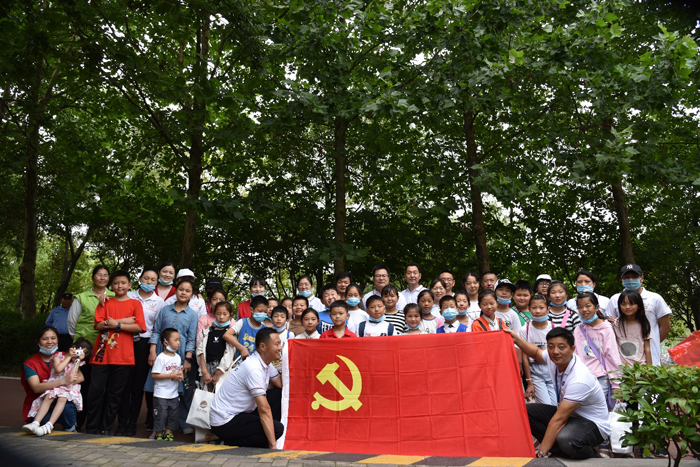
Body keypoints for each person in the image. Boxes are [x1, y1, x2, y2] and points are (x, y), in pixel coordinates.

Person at [505, 327, 610, 459]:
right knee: (525, 411)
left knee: (567, 439)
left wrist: (541, 453)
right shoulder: (555, 359)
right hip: (571, 417)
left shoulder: (579, 379)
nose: (555, 351)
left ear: (572, 349)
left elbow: (559, 419)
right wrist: (516, 339)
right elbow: (536, 353)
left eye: (561, 347)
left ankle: (594, 457)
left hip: (592, 424)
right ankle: (559, 450)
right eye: (551, 346)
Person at [85, 270, 146, 435]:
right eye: (116, 283)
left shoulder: (135, 304)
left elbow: (139, 326)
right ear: (111, 286)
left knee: (115, 394)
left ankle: (106, 427)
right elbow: (98, 325)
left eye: (123, 283)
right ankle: (91, 427)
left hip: (123, 356)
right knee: (95, 391)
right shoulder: (105, 302)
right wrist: (124, 321)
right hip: (101, 354)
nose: (120, 286)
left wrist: (116, 324)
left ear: (130, 285)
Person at [210, 328, 284, 448]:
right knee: (278, 429)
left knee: (278, 394)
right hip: (225, 421)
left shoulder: (264, 362)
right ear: (263, 346)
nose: (280, 348)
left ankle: (267, 432)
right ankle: (230, 443)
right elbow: (264, 410)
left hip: (242, 412)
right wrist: (273, 446)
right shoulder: (253, 368)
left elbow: (279, 384)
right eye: (277, 344)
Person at [146, 278, 199, 435]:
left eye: (188, 291)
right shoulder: (164, 310)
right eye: (181, 289)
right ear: (176, 291)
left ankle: (179, 425)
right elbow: (156, 331)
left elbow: (191, 339)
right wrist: (152, 351)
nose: (183, 293)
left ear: (192, 295)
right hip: (161, 353)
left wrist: (188, 359)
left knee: (180, 390)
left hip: (180, 355)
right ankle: (157, 427)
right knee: (158, 388)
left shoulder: (192, 315)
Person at [117, 268, 165, 436]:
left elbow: (157, 328)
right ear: (140, 279)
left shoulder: (159, 302)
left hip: (145, 344)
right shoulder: (129, 295)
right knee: (124, 384)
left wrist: (152, 349)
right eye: (146, 278)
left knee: (138, 386)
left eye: (153, 280)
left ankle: (132, 423)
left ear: (156, 282)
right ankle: (121, 422)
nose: (149, 282)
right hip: (125, 341)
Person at [605, 264, 671, 366]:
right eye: (627, 277)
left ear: (642, 278)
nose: (630, 280)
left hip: (651, 358)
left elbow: (665, 327)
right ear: (622, 279)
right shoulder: (615, 299)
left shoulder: (655, 298)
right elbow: (609, 327)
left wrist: (647, 342)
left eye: (634, 276)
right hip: (623, 361)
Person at [21, 327, 84, 434]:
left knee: (67, 407)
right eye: (45, 339)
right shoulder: (30, 363)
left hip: (61, 400)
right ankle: (38, 423)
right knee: (42, 422)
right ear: (38, 342)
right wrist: (63, 381)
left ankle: (70, 429)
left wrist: (65, 385)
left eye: (53, 338)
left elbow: (81, 377)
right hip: (41, 401)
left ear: (58, 340)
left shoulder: (66, 356)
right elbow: (36, 388)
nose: (50, 342)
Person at [573, 293, 622, 407]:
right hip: (583, 379)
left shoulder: (606, 329)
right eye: (580, 307)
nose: (584, 310)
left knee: (598, 411)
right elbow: (575, 355)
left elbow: (612, 356)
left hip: (601, 378)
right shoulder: (578, 330)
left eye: (588, 306)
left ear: (597, 307)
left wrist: (616, 384)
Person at [519, 294, 556, 406]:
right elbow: (525, 356)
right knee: (545, 405)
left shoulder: (554, 328)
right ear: (529, 308)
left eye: (541, 308)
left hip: (552, 371)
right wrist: (529, 382)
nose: (538, 311)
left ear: (548, 308)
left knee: (556, 405)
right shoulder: (524, 330)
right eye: (534, 308)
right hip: (535, 372)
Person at [151, 328, 184, 441]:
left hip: (173, 394)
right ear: (166, 343)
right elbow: (154, 375)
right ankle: (158, 434)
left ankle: (168, 434)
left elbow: (177, 371)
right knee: (161, 415)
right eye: (175, 340)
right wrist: (170, 375)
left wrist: (180, 375)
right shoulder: (161, 358)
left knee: (173, 415)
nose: (178, 343)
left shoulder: (178, 357)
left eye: (179, 340)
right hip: (161, 394)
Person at [197, 302, 237, 391]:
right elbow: (200, 351)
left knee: (222, 394)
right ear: (214, 314)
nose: (221, 317)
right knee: (206, 395)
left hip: (223, 370)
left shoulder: (230, 334)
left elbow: (229, 354)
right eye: (218, 314)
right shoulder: (206, 332)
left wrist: (218, 374)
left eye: (225, 314)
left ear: (230, 315)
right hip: (207, 368)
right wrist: (204, 372)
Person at [224, 295, 272, 359]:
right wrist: (242, 348)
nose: (263, 314)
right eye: (260, 311)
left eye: (265, 312)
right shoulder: (242, 322)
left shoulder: (264, 329)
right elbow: (227, 335)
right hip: (241, 361)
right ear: (251, 309)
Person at [613, 290, 652, 366]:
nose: (627, 307)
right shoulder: (615, 324)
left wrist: (650, 369)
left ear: (639, 306)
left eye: (631, 304)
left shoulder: (644, 325)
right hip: (621, 368)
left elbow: (647, 349)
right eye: (623, 304)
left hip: (640, 367)